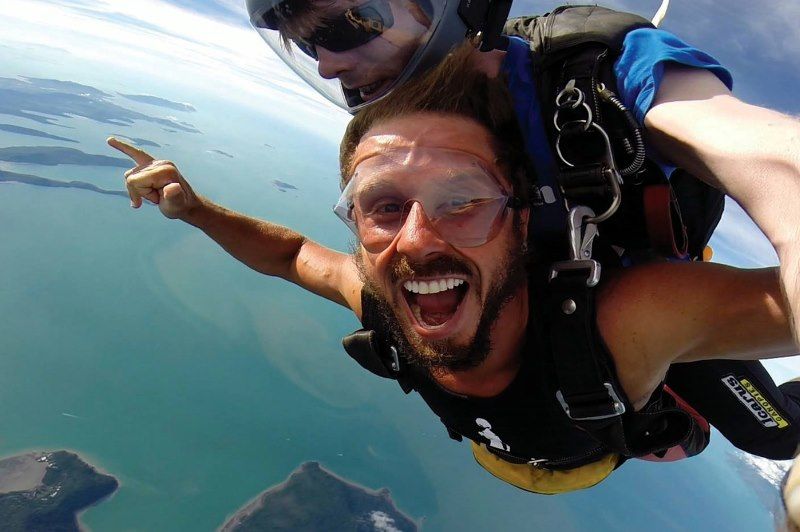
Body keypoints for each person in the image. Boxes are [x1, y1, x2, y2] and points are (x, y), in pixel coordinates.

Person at [107, 44, 800, 493]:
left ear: (523, 217)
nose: (414, 239)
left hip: (607, 429)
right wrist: (196, 211)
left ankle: (683, 420)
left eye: (461, 199)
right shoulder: (377, 294)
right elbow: (291, 254)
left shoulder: (626, 320)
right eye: (381, 206)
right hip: (526, 446)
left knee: (775, 434)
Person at [246, 1, 800, 465]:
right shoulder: (405, 143)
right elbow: (298, 256)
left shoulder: (591, 71)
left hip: (637, 301)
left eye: (348, 25)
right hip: (529, 314)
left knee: (770, 434)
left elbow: (760, 152)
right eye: (308, 46)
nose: (328, 67)